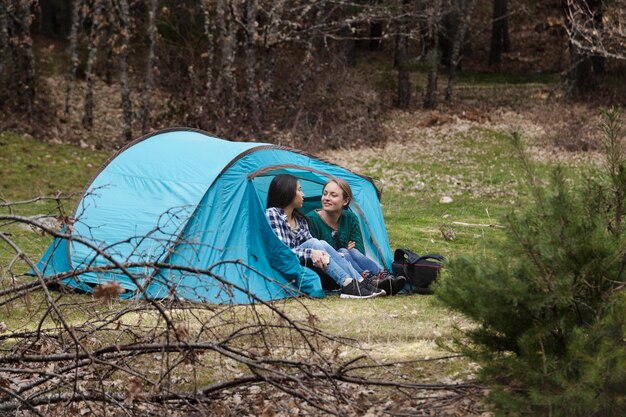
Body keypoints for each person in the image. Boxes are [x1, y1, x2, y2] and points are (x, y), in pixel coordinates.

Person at [265, 174, 384, 299]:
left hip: (305, 263)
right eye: (299, 190)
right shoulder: (272, 214)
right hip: (287, 264)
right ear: (287, 192)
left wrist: (333, 254)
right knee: (315, 243)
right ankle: (347, 283)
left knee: (323, 245)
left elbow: (315, 244)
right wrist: (311, 253)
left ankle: (359, 282)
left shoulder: (300, 220)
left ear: (345, 201)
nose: (303, 194)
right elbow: (281, 253)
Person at [307, 178, 406, 295]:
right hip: (329, 273)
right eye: (325, 194)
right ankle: (374, 281)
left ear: (345, 201)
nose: (327, 198)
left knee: (351, 251)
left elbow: (359, 251)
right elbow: (318, 255)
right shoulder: (311, 220)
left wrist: (345, 253)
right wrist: (341, 254)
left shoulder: (350, 218)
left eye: (333, 195)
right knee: (344, 250)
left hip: (352, 267)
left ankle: (379, 278)